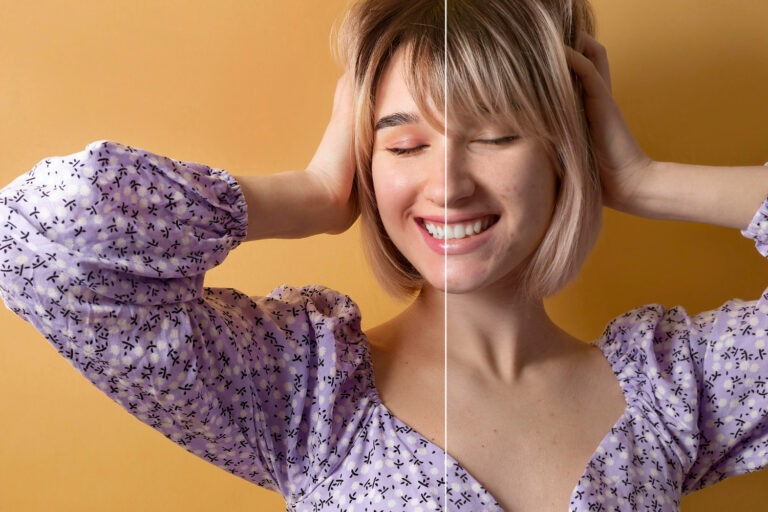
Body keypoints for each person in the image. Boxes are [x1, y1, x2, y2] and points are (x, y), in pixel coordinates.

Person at [1, 1, 767, 511]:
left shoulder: (673, 392)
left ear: (564, 154)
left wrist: (642, 180)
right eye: (404, 144)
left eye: (496, 135)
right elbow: (38, 239)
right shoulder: (304, 389)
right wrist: (309, 194)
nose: (448, 183)